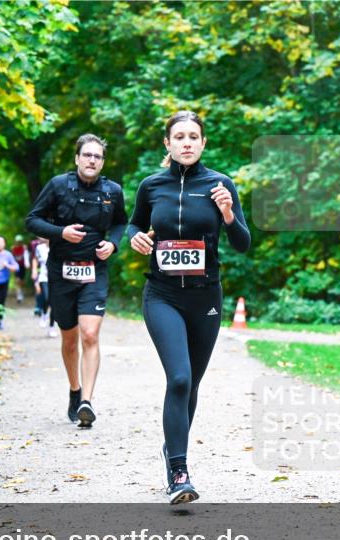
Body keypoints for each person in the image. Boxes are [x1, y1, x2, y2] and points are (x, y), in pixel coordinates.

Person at [127, 110, 251, 504]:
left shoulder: (220, 184)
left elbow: (243, 243)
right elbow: (133, 224)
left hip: (205, 297)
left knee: (191, 383)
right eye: (178, 136)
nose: (186, 142)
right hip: (162, 294)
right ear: (167, 143)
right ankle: (178, 471)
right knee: (178, 378)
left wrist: (228, 213)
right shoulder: (152, 186)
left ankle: (172, 447)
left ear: (203, 143)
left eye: (193, 136)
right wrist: (135, 239)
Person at [25, 133, 127, 427]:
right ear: (77, 159)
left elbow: (121, 222)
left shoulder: (112, 191)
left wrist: (114, 244)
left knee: (90, 335)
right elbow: (32, 220)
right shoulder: (59, 185)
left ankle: (87, 402)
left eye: (97, 156)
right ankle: (74, 390)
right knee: (69, 340)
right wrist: (61, 233)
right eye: (87, 155)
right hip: (61, 271)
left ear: (102, 162)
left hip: (95, 270)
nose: (92, 160)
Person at [31, 237, 58, 338]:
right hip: (44, 277)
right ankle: (44, 313)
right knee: (46, 298)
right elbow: (35, 259)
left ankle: (51, 327)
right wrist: (34, 270)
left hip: (56, 278)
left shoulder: (59, 246)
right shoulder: (39, 248)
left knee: (54, 302)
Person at [11, 235, 29, 304]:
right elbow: (12, 257)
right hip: (16, 266)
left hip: (22, 266)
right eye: (17, 241)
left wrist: (27, 264)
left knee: (22, 281)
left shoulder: (24, 247)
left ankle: (21, 292)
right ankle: (19, 295)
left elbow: (26, 255)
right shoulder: (13, 248)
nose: (18, 242)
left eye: (19, 241)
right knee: (17, 280)